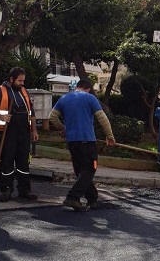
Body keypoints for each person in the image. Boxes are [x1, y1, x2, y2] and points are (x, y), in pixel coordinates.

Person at [49, 79, 116, 210]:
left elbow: (52, 117)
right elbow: (103, 118)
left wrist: (63, 129)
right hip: (87, 140)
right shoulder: (90, 98)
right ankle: (73, 197)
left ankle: (92, 199)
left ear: (77, 87)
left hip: (72, 141)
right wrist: (110, 136)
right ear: (88, 88)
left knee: (81, 170)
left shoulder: (64, 99)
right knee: (90, 169)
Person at [0, 67, 39, 203]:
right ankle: (6, 189)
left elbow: (31, 112)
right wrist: (0, 117)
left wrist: (34, 130)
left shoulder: (24, 92)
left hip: (24, 133)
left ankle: (24, 190)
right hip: (7, 133)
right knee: (7, 161)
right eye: (20, 81)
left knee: (23, 162)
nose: (22, 83)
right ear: (11, 79)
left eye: (23, 81)